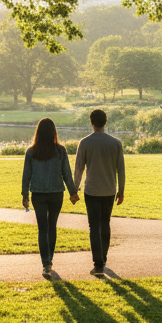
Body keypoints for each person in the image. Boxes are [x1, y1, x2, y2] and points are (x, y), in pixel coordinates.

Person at [21, 118, 79, 274]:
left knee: (42, 228)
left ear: (38, 132)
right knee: (52, 226)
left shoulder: (31, 152)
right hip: (56, 193)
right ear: (54, 132)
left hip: (38, 194)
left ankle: (46, 263)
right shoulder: (60, 151)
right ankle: (49, 260)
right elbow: (66, 173)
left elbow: (26, 175)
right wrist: (72, 192)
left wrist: (25, 195)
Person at [73, 109, 125, 276]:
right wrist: (121, 190)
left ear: (91, 122)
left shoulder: (85, 143)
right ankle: (103, 257)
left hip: (92, 190)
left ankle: (98, 264)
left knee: (94, 227)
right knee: (105, 223)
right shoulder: (116, 143)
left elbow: (79, 169)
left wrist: (74, 189)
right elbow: (121, 170)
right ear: (105, 122)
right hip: (109, 190)